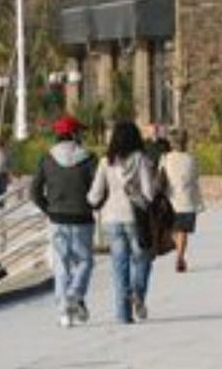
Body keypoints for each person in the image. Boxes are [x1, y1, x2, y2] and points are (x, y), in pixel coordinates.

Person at [30, 114, 97, 327]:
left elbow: (34, 191)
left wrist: (48, 208)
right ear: (74, 134)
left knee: (61, 264)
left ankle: (64, 312)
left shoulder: (47, 159)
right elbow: (97, 189)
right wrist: (95, 204)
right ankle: (75, 294)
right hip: (82, 217)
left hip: (57, 218)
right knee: (85, 261)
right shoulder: (89, 159)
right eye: (80, 132)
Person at [88, 121, 155, 324]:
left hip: (111, 219)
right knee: (143, 259)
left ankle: (123, 315)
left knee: (119, 266)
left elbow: (94, 196)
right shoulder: (141, 160)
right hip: (134, 218)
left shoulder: (105, 162)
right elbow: (149, 194)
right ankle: (137, 292)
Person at [159, 129, 203, 273]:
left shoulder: (165, 158)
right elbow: (196, 178)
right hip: (187, 200)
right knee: (183, 231)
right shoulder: (192, 159)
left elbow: (160, 178)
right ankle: (180, 256)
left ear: (172, 143)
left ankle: (177, 251)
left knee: (173, 230)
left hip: (170, 201)